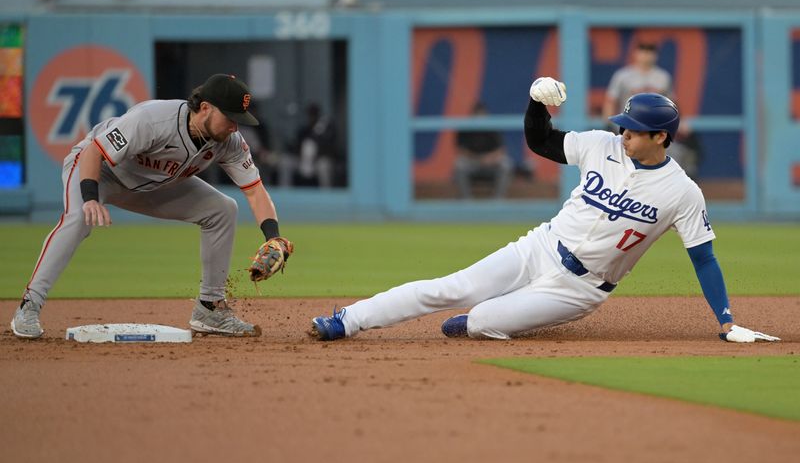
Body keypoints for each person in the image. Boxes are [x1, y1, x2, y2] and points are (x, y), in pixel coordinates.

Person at [309, 77, 779, 344]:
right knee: (449, 287)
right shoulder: (601, 145)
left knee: (482, 323)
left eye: (634, 130)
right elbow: (540, 141)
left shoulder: (683, 191)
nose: (623, 133)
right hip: (539, 247)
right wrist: (536, 104)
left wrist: (726, 321)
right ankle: (347, 320)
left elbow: (704, 257)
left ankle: (480, 319)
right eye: (624, 126)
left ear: (662, 137)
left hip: (580, 289)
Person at [11, 74, 292, 339]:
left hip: (154, 186)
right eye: (230, 117)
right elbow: (94, 151)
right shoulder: (154, 119)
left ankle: (210, 308)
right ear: (205, 108)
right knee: (77, 218)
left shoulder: (229, 142)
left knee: (222, 209)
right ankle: (29, 305)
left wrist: (273, 237)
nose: (234, 126)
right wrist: (90, 196)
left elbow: (255, 191)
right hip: (101, 172)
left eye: (238, 120)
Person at [602, 42, 672, 132]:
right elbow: (611, 101)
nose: (646, 56)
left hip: (655, 126)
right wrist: (608, 123)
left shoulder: (663, 77)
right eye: (643, 52)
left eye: (650, 52)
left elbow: (671, 103)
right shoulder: (623, 75)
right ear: (635, 54)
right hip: (629, 123)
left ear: (656, 55)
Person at [453, 102, 514, 199]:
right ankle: (466, 201)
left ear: (486, 115)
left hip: (490, 164)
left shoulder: (492, 128)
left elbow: (501, 150)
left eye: (481, 115)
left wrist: (489, 158)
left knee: (506, 164)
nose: (479, 118)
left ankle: (498, 200)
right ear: (472, 115)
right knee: (459, 164)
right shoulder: (465, 129)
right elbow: (461, 150)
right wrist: (478, 158)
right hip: (472, 163)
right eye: (476, 115)